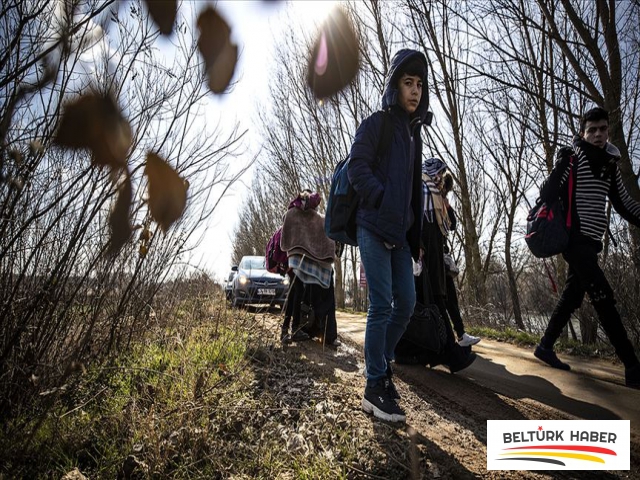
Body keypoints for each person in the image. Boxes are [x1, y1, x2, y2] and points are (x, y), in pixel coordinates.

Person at [348, 49, 429, 423]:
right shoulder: (376, 124)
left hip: (401, 234)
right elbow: (357, 168)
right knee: (381, 304)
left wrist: (417, 236)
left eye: (420, 85)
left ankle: (380, 362)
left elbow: (415, 192)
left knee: (407, 303)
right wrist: (381, 200)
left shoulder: (414, 136)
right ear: (395, 87)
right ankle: (374, 386)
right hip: (373, 225)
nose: (414, 91)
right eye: (408, 83)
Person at [533, 107, 640, 389]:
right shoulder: (573, 158)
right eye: (591, 130)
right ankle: (632, 365)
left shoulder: (610, 165)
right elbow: (547, 193)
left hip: (592, 244)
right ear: (583, 132)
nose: (597, 135)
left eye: (602, 129)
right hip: (575, 241)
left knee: (572, 297)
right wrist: (561, 164)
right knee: (604, 298)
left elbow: (624, 204)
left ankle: (545, 346)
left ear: (608, 132)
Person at [415, 157, 477, 371]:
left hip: (435, 253)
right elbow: (416, 219)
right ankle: (449, 352)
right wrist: (419, 246)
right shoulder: (422, 187)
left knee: (437, 300)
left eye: (442, 174)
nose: (441, 178)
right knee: (434, 302)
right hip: (426, 254)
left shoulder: (434, 192)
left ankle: (445, 349)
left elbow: (450, 224)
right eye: (439, 173)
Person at [440, 172, 481, 347]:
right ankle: (450, 336)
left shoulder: (443, 202)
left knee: (450, 298)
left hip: (442, 256)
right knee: (439, 300)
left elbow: (454, 224)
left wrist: (447, 207)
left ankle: (460, 334)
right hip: (429, 257)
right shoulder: (426, 197)